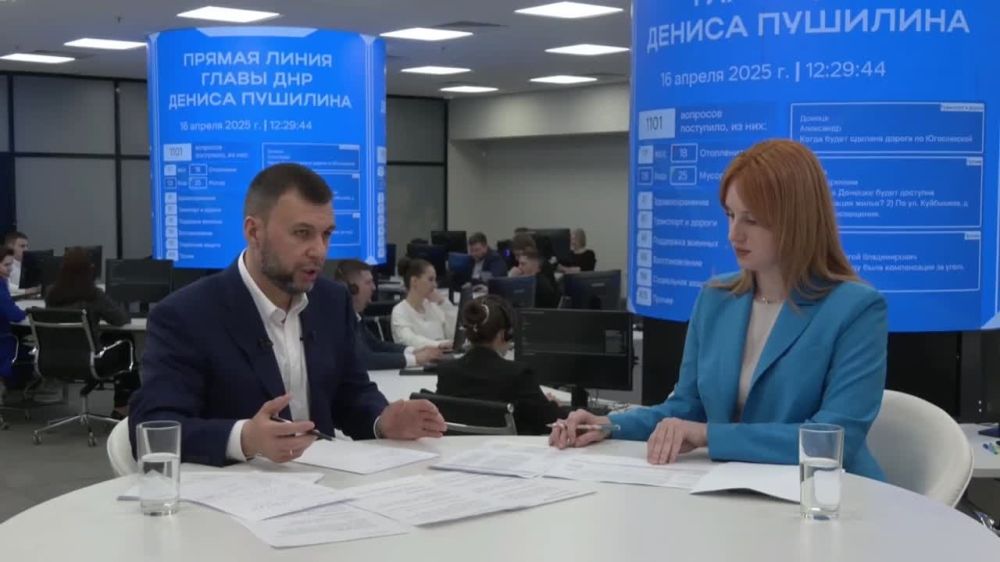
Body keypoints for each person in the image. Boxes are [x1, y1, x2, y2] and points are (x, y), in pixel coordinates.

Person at [550, 139, 889, 481]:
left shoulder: (856, 309)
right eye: (730, 215)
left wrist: (708, 436)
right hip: (734, 487)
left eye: (751, 220)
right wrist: (608, 424)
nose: (734, 234)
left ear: (797, 220)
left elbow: (835, 439)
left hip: (827, 494)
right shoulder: (715, 298)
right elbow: (686, 407)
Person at [129, 163, 446, 466]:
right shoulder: (186, 315)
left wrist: (383, 420)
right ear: (254, 232)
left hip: (325, 484)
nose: (319, 250)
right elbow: (153, 427)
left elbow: (351, 394)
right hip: (231, 491)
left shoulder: (331, 301)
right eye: (302, 233)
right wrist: (245, 439)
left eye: (326, 234)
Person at [437, 295, 567, 435]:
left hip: (459, 446)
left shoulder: (447, 372)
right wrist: (552, 405)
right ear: (502, 335)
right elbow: (551, 421)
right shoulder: (518, 374)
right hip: (509, 447)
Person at [45, 247, 134, 417]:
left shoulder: (51, 293)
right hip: (89, 360)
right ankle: (122, 405)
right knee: (125, 340)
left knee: (110, 336)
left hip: (55, 359)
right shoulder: (93, 295)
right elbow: (121, 319)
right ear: (90, 269)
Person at [334, 259, 442, 370]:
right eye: (368, 282)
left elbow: (376, 345)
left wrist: (413, 351)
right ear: (352, 289)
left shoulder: (356, 316)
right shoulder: (338, 320)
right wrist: (415, 359)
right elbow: (364, 359)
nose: (374, 287)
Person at [391, 257, 457, 349]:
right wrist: (439, 344)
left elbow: (454, 335)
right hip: (420, 357)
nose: (435, 285)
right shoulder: (400, 311)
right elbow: (409, 339)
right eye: (430, 280)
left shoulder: (433, 306)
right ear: (414, 281)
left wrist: (444, 303)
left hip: (445, 354)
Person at [0, 249, 26, 403]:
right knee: (31, 347)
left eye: (11, 264)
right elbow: (15, 315)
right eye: (6, 265)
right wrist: (28, 312)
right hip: (3, 341)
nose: (10, 268)